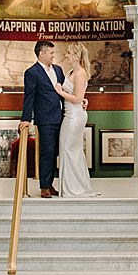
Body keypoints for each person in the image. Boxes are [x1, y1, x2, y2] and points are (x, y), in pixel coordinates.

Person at [52, 43, 99, 199]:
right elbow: (79, 95)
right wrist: (82, 98)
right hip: (70, 114)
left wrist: (59, 91)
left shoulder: (80, 73)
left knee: (69, 150)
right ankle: (70, 187)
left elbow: (77, 98)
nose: (66, 55)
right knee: (69, 150)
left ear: (77, 56)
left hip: (74, 116)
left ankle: (74, 189)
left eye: (69, 53)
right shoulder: (72, 71)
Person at [20, 41, 66, 198]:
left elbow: (65, 91)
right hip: (45, 118)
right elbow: (29, 97)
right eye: (51, 53)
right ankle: (45, 186)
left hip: (62, 117)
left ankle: (50, 182)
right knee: (47, 151)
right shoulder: (32, 73)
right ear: (42, 53)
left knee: (56, 152)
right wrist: (26, 119)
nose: (54, 56)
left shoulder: (59, 70)